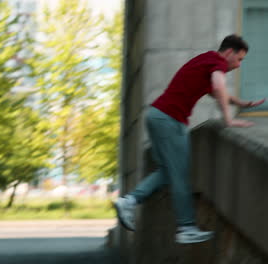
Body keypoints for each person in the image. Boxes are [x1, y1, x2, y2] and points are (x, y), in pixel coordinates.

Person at [114, 34, 266, 244]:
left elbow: (215, 91)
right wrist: (228, 120)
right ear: (229, 52)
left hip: (157, 116)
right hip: (170, 120)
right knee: (180, 175)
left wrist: (241, 103)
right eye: (239, 59)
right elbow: (219, 86)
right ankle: (186, 227)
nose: (239, 65)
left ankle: (129, 201)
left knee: (167, 172)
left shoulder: (206, 60)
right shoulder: (217, 62)